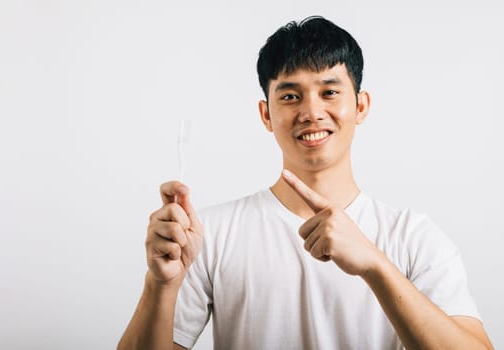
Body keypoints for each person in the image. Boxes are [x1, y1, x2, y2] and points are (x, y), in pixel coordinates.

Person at [118, 16, 493, 349]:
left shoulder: (415, 237)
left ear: (360, 106)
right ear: (266, 114)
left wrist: (375, 265)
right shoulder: (208, 235)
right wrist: (161, 284)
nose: (312, 112)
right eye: (291, 96)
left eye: (329, 92)